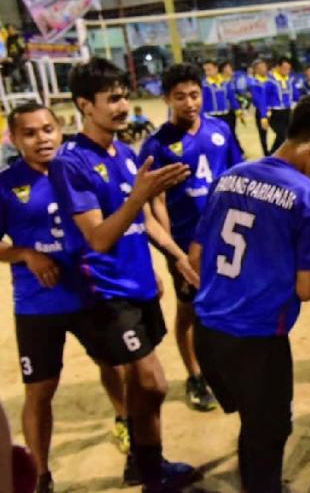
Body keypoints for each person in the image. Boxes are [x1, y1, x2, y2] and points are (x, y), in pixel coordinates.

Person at [189, 92, 310, 493]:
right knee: (269, 432)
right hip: (257, 342)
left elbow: (197, 256)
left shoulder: (231, 175)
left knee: (253, 425)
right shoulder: (309, 197)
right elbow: (307, 288)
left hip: (209, 335)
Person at [49, 58, 200, 490]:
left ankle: (145, 463)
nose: (122, 106)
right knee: (153, 380)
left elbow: (144, 223)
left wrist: (175, 256)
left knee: (142, 385)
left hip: (139, 283)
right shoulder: (71, 162)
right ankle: (150, 471)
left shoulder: (127, 154)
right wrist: (138, 197)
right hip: (106, 291)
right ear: (84, 104)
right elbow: (97, 237)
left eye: (124, 96)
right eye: (112, 98)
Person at [0, 102, 129, 492]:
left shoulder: (81, 171)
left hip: (91, 291)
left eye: (48, 130)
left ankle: (125, 423)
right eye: (30, 133)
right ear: (14, 139)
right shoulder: (5, 185)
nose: (42, 139)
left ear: (61, 130)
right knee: (40, 390)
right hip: (38, 304)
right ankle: (40, 475)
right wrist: (25, 253)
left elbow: (118, 225)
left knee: (116, 366)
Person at [139, 63, 242, 412]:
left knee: (227, 304)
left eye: (194, 94)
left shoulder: (220, 131)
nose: (189, 103)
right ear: (167, 99)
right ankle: (195, 375)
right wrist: (172, 252)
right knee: (190, 311)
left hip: (226, 238)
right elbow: (157, 202)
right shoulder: (158, 144)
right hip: (186, 244)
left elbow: (236, 179)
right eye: (179, 97)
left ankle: (224, 367)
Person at [201, 60, 242, 150]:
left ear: (216, 69)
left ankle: (236, 156)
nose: (207, 72)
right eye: (205, 70)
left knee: (230, 135)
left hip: (227, 115)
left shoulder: (225, 82)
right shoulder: (204, 85)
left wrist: (238, 110)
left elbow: (231, 97)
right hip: (212, 116)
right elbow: (202, 102)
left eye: (209, 69)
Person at [264, 57, 297, 155]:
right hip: (275, 113)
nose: (287, 71)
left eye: (288, 68)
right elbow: (264, 98)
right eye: (284, 68)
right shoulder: (269, 81)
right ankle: (273, 156)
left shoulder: (290, 80)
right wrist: (264, 114)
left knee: (286, 137)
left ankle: (273, 156)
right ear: (278, 67)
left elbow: (296, 95)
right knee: (283, 136)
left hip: (288, 112)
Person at [248, 59, 271, 157]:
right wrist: (263, 115)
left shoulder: (272, 80)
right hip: (261, 111)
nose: (263, 69)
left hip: (275, 110)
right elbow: (258, 100)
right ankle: (266, 154)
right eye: (260, 67)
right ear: (256, 70)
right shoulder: (254, 83)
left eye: (264, 66)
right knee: (263, 134)